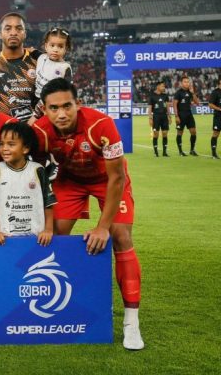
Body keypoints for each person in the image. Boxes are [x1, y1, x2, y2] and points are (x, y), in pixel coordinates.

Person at [33, 78, 144, 350]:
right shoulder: (39, 131)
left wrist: (102, 226)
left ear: (78, 104)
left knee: (120, 236)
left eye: (67, 106)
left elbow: (117, 178)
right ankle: (66, 303)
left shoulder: (101, 125)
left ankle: (131, 322)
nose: (61, 113)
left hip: (107, 180)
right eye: (54, 108)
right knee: (56, 236)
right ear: (45, 109)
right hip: (69, 181)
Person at [0, 122, 55, 246]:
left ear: (25, 148)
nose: (4, 148)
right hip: (6, 236)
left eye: (11, 144)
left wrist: (48, 229)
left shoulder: (38, 170)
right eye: (1, 144)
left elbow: (48, 203)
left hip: (36, 236)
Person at [34, 27, 73, 108]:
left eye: (60, 46)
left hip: (51, 103)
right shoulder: (41, 57)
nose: (55, 49)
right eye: (52, 45)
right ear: (46, 46)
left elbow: (67, 90)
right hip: (34, 97)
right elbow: (29, 50)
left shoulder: (65, 68)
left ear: (66, 49)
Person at [173, 75, 200, 156]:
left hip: (189, 114)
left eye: (188, 82)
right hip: (181, 115)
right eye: (185, 82)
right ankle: (180, 151)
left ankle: (192, 150)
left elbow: (197, 103)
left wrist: (193, 93)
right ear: (181, 83)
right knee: (180, 133)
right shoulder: (178, 93)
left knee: (193, 132)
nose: (187, 83)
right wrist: (176, 116)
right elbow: (174, 105)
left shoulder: (190, 92)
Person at [148, 81, 170, 157]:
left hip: (164, 116)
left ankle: (164, 152)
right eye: (162, 86)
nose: (164, 88)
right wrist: (150, 118)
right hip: (156, 117)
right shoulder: (152, 96)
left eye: (164, 86)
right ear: (158, 87)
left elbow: (167, 106)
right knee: (156, 134)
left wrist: (169, 116)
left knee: (165, 133)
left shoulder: (165, 95)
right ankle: (156, 152)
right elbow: (150, 108)